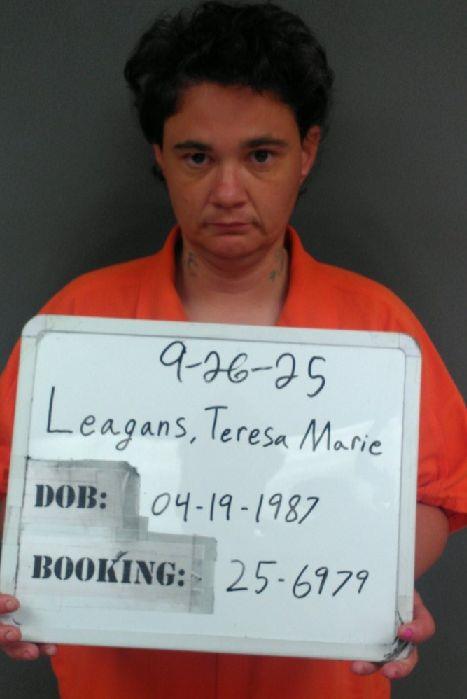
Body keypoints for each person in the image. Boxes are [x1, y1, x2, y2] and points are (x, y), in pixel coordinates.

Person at [0, 2, 465, 698]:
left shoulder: (378, 328)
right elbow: (14, 491)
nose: (226, 192)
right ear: (159, 156)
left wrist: (379, 585)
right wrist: (27, 585)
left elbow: (432, 495)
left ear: (306, 152)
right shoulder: (76, 322)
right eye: (197, 157)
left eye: (260, 156)